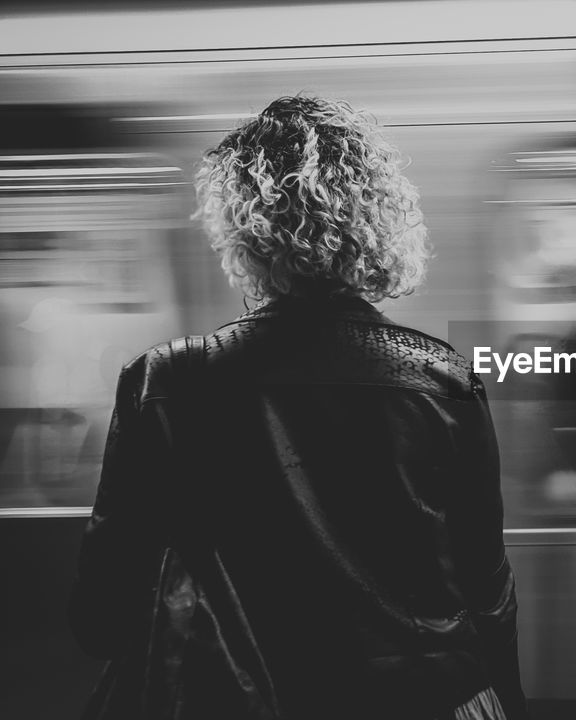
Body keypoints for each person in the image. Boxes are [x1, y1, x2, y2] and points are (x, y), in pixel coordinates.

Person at [68, 96, 527, 720]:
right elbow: (486, 586)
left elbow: (102, 615)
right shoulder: (443, 381)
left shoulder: (167, 381)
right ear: (381, 223)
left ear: (237, 229)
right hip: (426, 693)